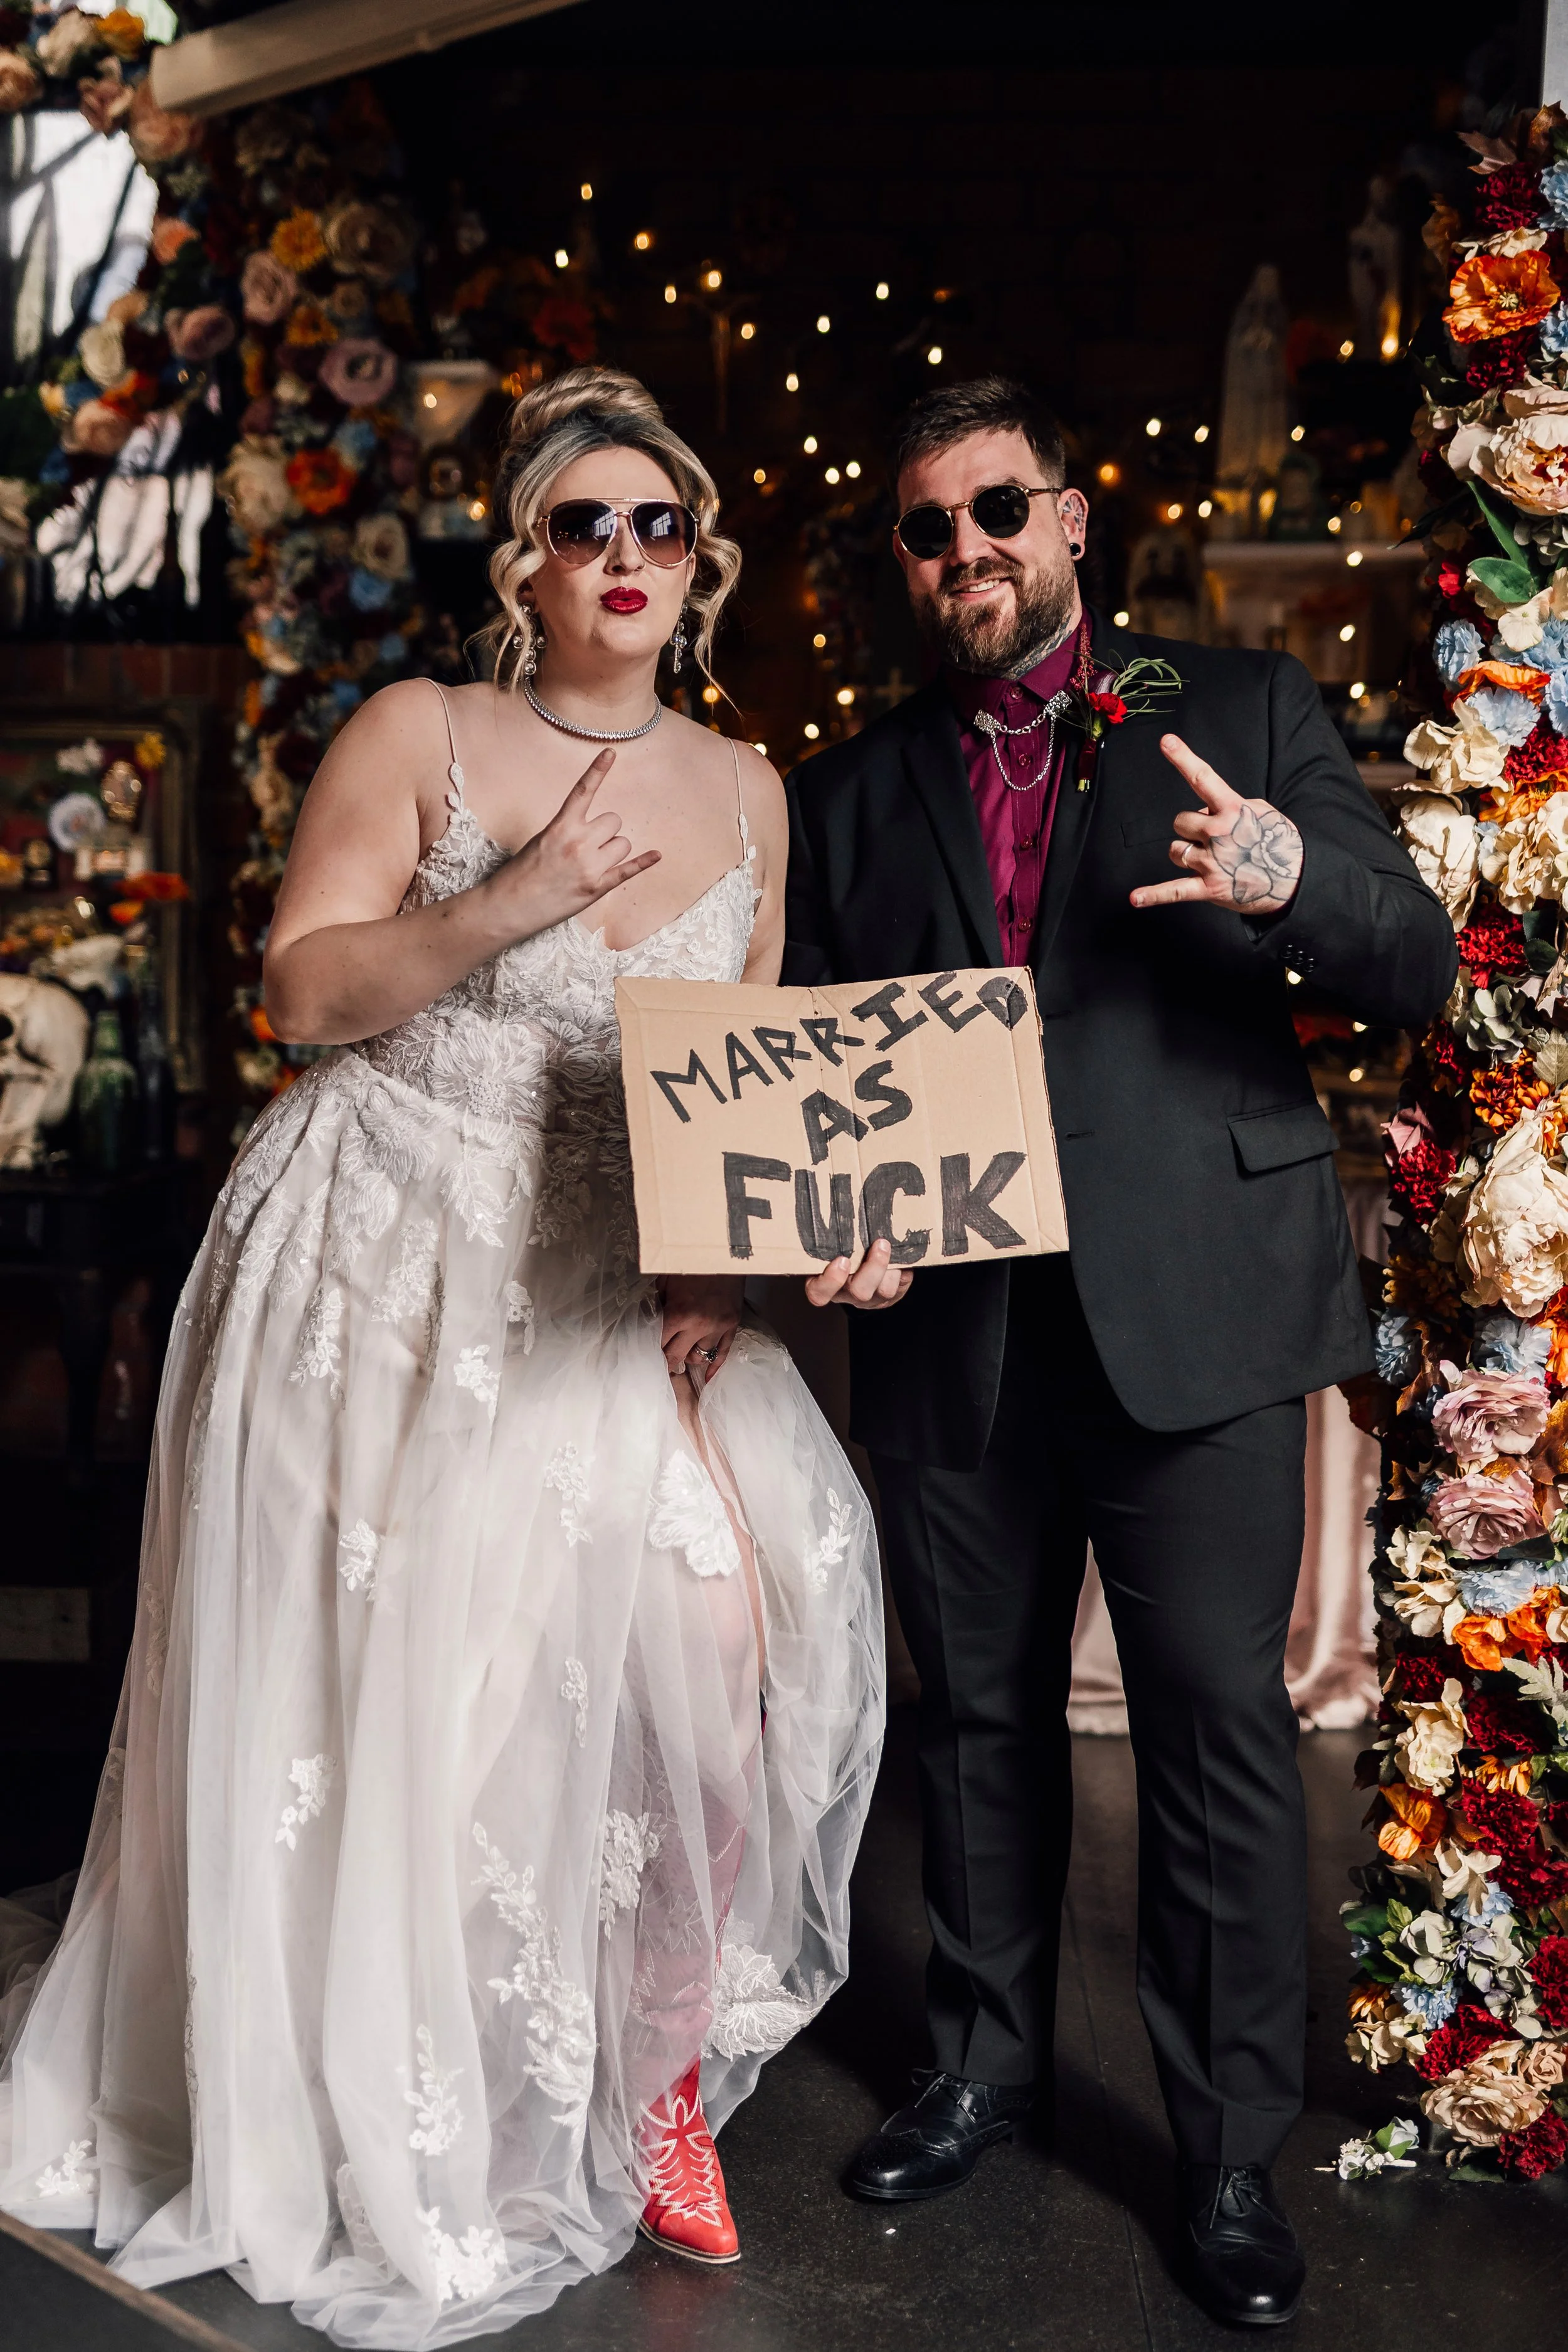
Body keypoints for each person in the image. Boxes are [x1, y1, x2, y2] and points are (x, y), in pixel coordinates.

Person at [0, 368, 884, 2343]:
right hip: (396, 1247)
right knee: (425, 1676)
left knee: (732, 1627)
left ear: (703, 558)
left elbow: (725, 1081)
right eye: (590, 524)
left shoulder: (749, 787)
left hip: (604, 1263)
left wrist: (735, 1271)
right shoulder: (424, 729)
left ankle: (653, 2071)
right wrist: (514, 900)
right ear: (527, 557)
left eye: (664, 525)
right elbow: (306, 988)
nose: (631, 556)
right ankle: (381, 2064)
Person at [784, 374, 1456, 2329]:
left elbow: (1406, 954)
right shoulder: (846, 789)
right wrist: (847, 1224)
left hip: (1201, 1310)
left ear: (1069, 517)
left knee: (1216, 1736)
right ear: (904, 563)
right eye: (925, 528)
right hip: (959, 1339)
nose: (966, 550)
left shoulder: (1238, 712)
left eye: (996, 508)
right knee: (974, 1723)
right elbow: (832, 1069)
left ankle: (1227, 2145)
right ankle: (981, 2067)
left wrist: (1286, 881)